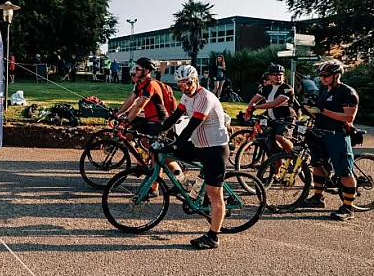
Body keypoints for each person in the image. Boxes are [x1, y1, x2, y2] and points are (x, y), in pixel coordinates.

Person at [156, 65, 230, 249]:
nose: (185, 87)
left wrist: (176, 143)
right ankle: (184, 184)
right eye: (180, 85)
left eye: (188, 83)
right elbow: (174, 117)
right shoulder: (186, 97)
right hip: (200, 146)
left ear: (195, 80)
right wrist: (157, 132)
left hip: (215, 148)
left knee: (215, 194)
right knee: (165, 154)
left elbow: (191, 126)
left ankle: (213, 237)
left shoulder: (205, 98)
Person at [301, 60, 359, 221]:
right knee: (317, 165)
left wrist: (323, 111)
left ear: (336, 75)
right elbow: (318, 111)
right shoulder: (324, 90)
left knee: (345, 172)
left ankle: (348, 207)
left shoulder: (348, 92)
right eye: (321, 75)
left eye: (326, 75)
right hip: (320, 133)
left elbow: (348, 117)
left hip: (337, 135)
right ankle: (317, 197)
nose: (323, 78)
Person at [115, 57, 181, 172]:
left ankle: (177, 177)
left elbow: (139, 106)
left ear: (147, 71)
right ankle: (144, 159)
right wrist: (118, 113)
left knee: (157, 155)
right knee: (129, 133)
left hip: (159, 121)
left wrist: (127, 120)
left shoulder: (151, 85)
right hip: (150, 119)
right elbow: (130, 101)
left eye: (138, 69)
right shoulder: (140, 84)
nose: (135, 71)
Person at [245, 63, 296, 153]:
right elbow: (253, 100)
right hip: (272, 118)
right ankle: (277, 158)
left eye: (280, 75)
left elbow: (274, 104)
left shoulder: (287, 88)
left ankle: (293, 154)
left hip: (286, 119)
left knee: (279, 137)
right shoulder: (266, 88)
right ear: (270, 76)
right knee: (268, 140)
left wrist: (256, 107)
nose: (278, 77)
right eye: (275, 75)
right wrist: (248, 111)